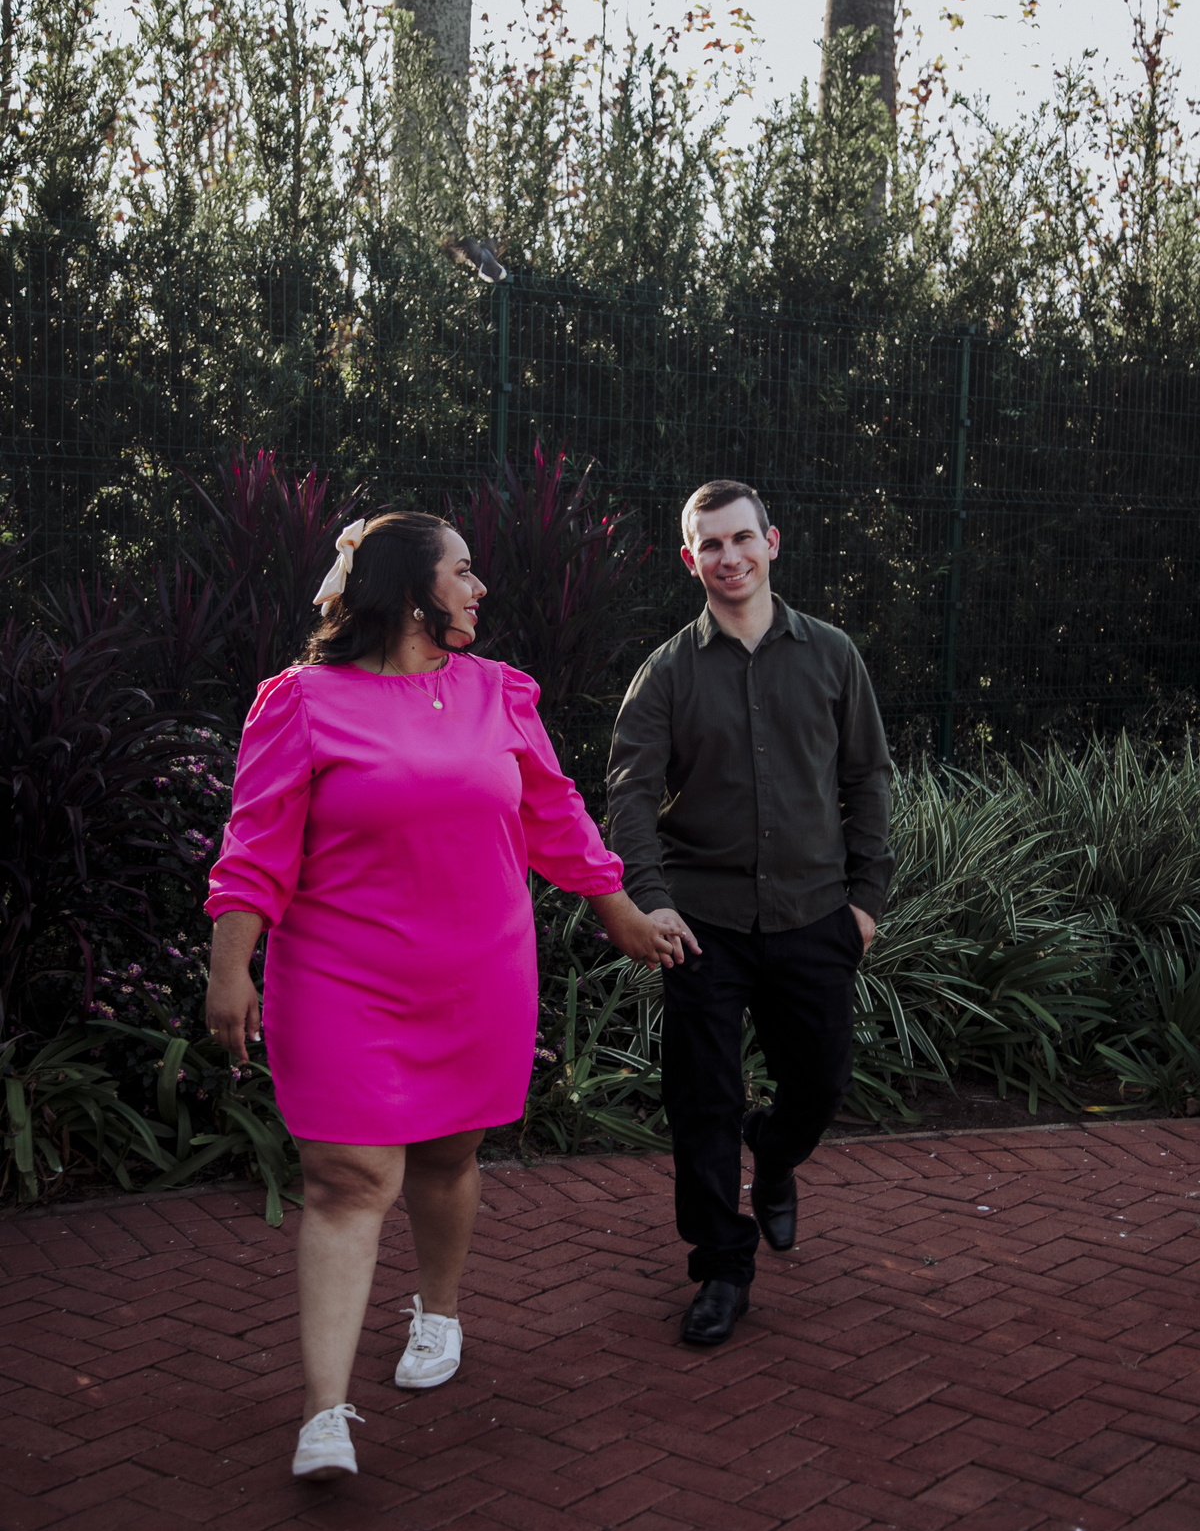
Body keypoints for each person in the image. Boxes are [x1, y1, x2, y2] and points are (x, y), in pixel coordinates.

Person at [205, 510, 683, 1480]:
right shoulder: (302, 702)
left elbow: (554, 815)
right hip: (339, 976)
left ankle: (439, 1311)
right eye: (462, 571)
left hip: (477, 971)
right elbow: (255, 847)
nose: (478, 588)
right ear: (410, 589)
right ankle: (324, 1415)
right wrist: (229, 969)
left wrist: (620, 911)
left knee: (447, 1156)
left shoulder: (499, 693)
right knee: (348, 1179)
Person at [606, 480, 894, 1346]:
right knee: (702, 1102)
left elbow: (867, 778)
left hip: (815, 915)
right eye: (711, 545)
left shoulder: (833, 655)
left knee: (822, 1084)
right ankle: (722, 1267)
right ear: (689, 559)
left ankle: (774, 1153)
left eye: (741, 539)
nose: (728, 558)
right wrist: (653, 902)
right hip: (704, 924)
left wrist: (866, 902)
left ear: (772, 542)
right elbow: (629, 794)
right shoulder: (666, 673)